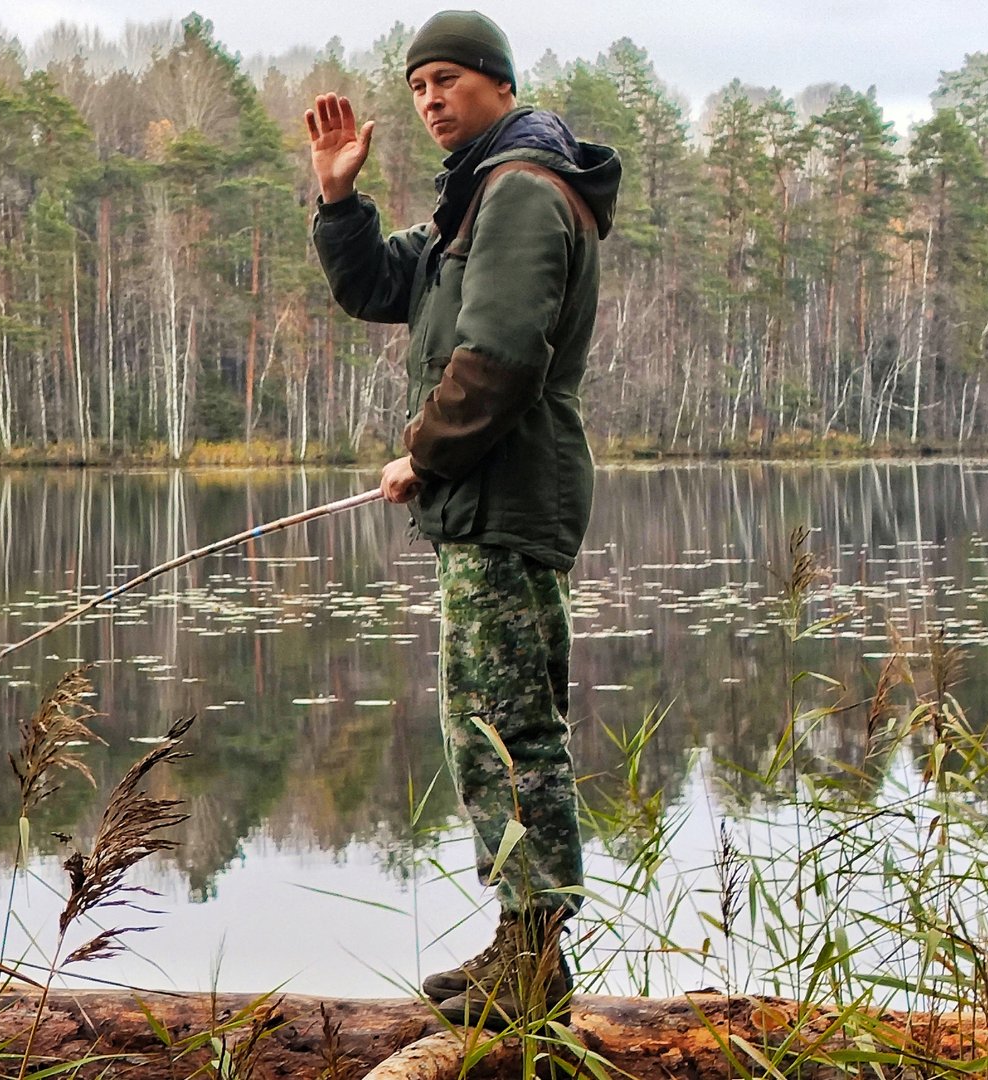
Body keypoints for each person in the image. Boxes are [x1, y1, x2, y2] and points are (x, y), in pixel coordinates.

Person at [304, 10, 620, 1029]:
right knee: (490, 719)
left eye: (449, 80)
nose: (432, 99)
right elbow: (380, 285)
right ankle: (526, 946)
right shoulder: (478, 196)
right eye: (418, 87)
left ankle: (533, 954)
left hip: (509, 491)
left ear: (498, 83)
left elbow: (501, 359)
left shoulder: (523, 192)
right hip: (490, 496)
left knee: (507, 724)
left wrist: (423, 454)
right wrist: (339, 197)